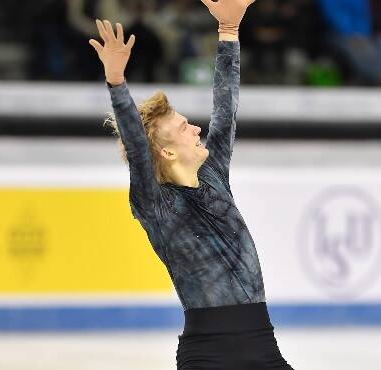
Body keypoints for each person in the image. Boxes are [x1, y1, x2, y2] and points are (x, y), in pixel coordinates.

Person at [88, 1, 295, 369]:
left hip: (263, 347)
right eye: (185, 128)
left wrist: (228, 33)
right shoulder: (156, 204)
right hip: (207, 355)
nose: (196, 129)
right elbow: (138, 148)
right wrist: (117, 83)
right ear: (166, 152)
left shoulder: (214, 174)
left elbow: (225, 107)